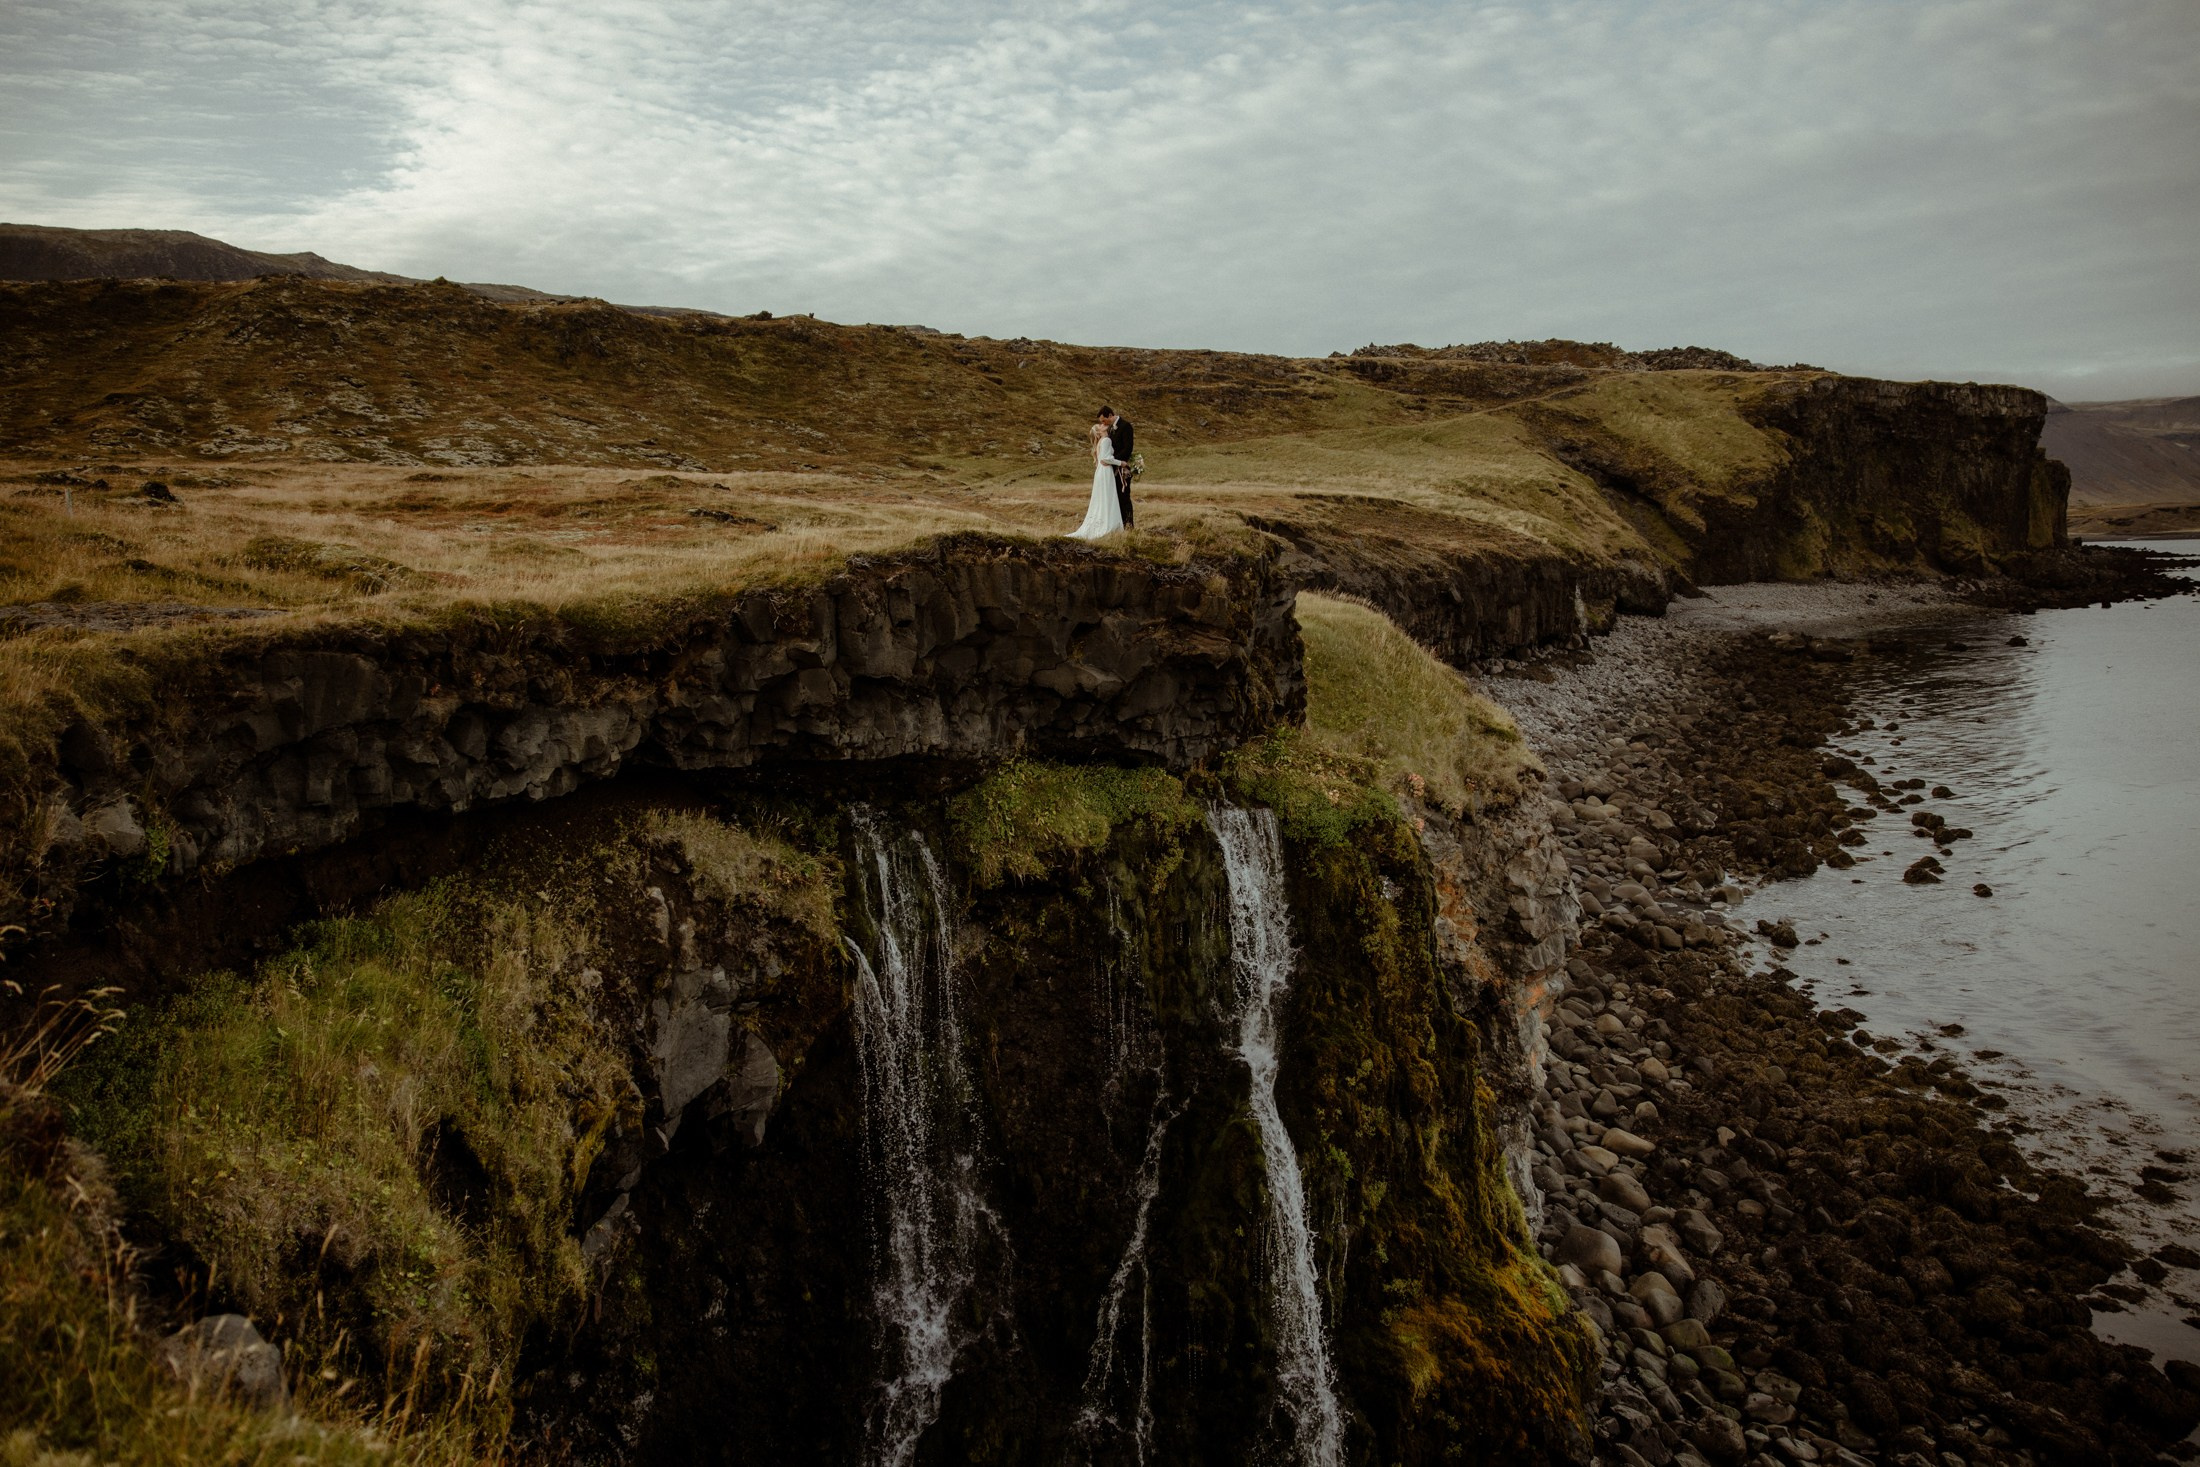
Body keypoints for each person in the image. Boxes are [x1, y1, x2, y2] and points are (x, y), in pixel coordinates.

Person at [1067, 414, 1129, 540]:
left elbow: (1104, 458)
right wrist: (1121, 463)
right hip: (1105, 472)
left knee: (1103, 498)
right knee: (1108, 497)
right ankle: (1109, 525)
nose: (1103, 424)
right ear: (1100, 431)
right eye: (1100, 425)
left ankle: (1105, 522)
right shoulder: (1106, 440)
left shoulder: (1103, 440)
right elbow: (1106, 458)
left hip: (1102, 471)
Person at [1101, 406, 1135, 527]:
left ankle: (1129, 525)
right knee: (1116, 498)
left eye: (1104, 420)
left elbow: (1128, 448)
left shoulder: (1126, 426)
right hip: (1114, 469)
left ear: (1110, 415)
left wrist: (1114, 460)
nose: (1103, 423)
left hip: (1122, 469)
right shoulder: (1110, 429)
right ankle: (1120, 524)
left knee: (1124, 496)